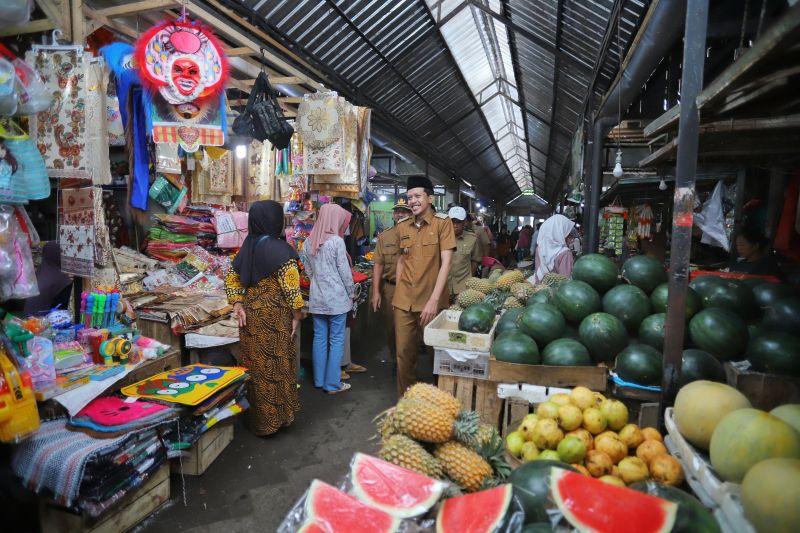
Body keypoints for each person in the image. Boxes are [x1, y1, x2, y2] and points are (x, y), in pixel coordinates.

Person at [225, 201, 303, 436]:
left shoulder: (246, 247)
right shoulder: (281, 250)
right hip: (276, 317)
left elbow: (231, 278)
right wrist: (297, 315)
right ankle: (280, 420)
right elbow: (292, 289)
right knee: (278, 366)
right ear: (275, 221)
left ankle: (260, 422)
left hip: (250, 317)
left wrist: (238, 302)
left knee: (256, 368)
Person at [393, 175, 456, 396]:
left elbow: (446, 263)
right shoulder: (402, 226)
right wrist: (398, 290)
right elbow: (402, 259)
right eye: (409, 197)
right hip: (404, 302)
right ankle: (407, 401)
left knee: (437, 355)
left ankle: (440, 401)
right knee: (403, 355)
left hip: (431, 302)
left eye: (417, 196)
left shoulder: (443, 223)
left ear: (429, 198)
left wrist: (434, 300)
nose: (412, 201)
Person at [302, 203, 355, 394]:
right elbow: (345, 272)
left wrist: (317, 281)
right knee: (336, 339)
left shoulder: (308, 241)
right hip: (337, 299)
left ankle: (318, 380)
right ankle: (332, 384)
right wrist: (351, 292)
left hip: (317, 298)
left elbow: (307, 269)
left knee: (319, 338)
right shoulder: (336, 242)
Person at [371, 195, 412, 366]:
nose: (400, 214)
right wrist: (376, 293)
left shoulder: (418, 234)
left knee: (411, 329)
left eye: (405, 211)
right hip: (390, 289)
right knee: (391, 327)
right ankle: (396, 360)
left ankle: (409, 361)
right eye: (397, 211)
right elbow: (378, 265)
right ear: (393, 215)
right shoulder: (385, 236)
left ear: (411, 213)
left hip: (412, 288)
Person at [23, 242, 73, 315]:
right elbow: (62, 309)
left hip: (29, 320)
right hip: (44, 322)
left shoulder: (40, 273)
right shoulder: (61, 279)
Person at [530, 214, 576, 283]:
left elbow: (537, 273)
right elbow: (565, 282)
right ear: (560, 232)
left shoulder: (540, 248)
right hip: (556, 292)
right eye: (568, 233)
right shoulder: (565, 253)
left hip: (540, 290)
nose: (572, 239)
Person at [447, 206, 481, 297]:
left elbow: (475, 260)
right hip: (444, 287)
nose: (455, 225)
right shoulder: (441, 238)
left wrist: (469, 280)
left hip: (463, 287)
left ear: (464, 222)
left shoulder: (472, 239)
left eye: (459, 222)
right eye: (453, 221)